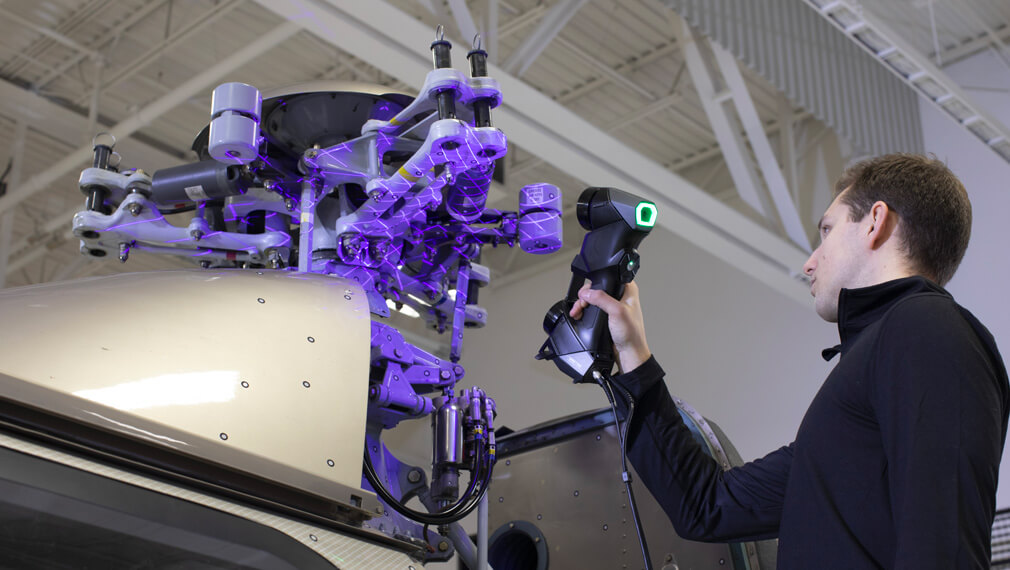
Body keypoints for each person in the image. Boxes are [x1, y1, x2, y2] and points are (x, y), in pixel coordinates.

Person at [570, 153, 1010, 569]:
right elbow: (708, 506)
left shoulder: (928, 330)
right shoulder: (866, 380)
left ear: (874, 221)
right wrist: (632, 350)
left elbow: (943, 550)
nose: (809, 262)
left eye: (827, 230)